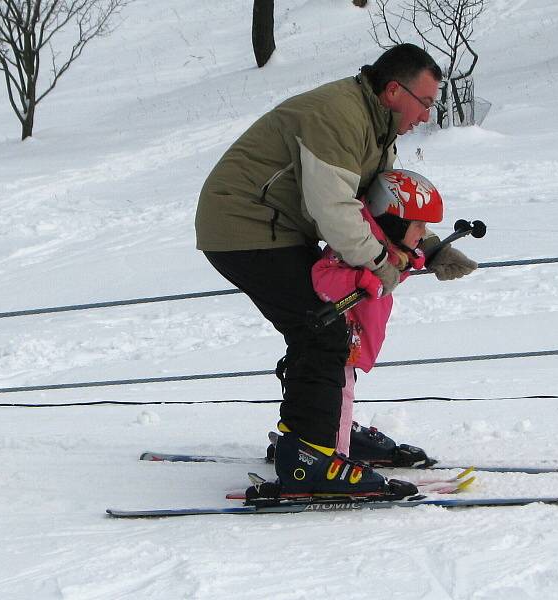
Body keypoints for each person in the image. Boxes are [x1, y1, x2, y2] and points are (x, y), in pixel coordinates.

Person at [195, 43, 477, 498]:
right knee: (321, 330)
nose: (427, 115)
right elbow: (336, 210)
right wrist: (383, 262)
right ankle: (311, 457)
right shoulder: (339, 116)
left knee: (325, 327)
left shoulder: (376, 127)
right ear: (392, 90)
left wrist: (429, 247)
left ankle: (323, 432)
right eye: (425, 103)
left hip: (276, 227)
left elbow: (379, 207)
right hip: (242, 224)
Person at [311, 169, 441, 463]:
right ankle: (336, 461)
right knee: (340, 399)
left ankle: (320, 442)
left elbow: (396, 271)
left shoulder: (385, 247)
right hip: (337, 339)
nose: (423, 233)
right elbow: (323, 277)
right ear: (393, 221)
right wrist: (359, 281)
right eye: (418, 225)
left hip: (352, 341)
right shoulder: (353, 247)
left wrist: (425, 258)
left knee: (340, 397)